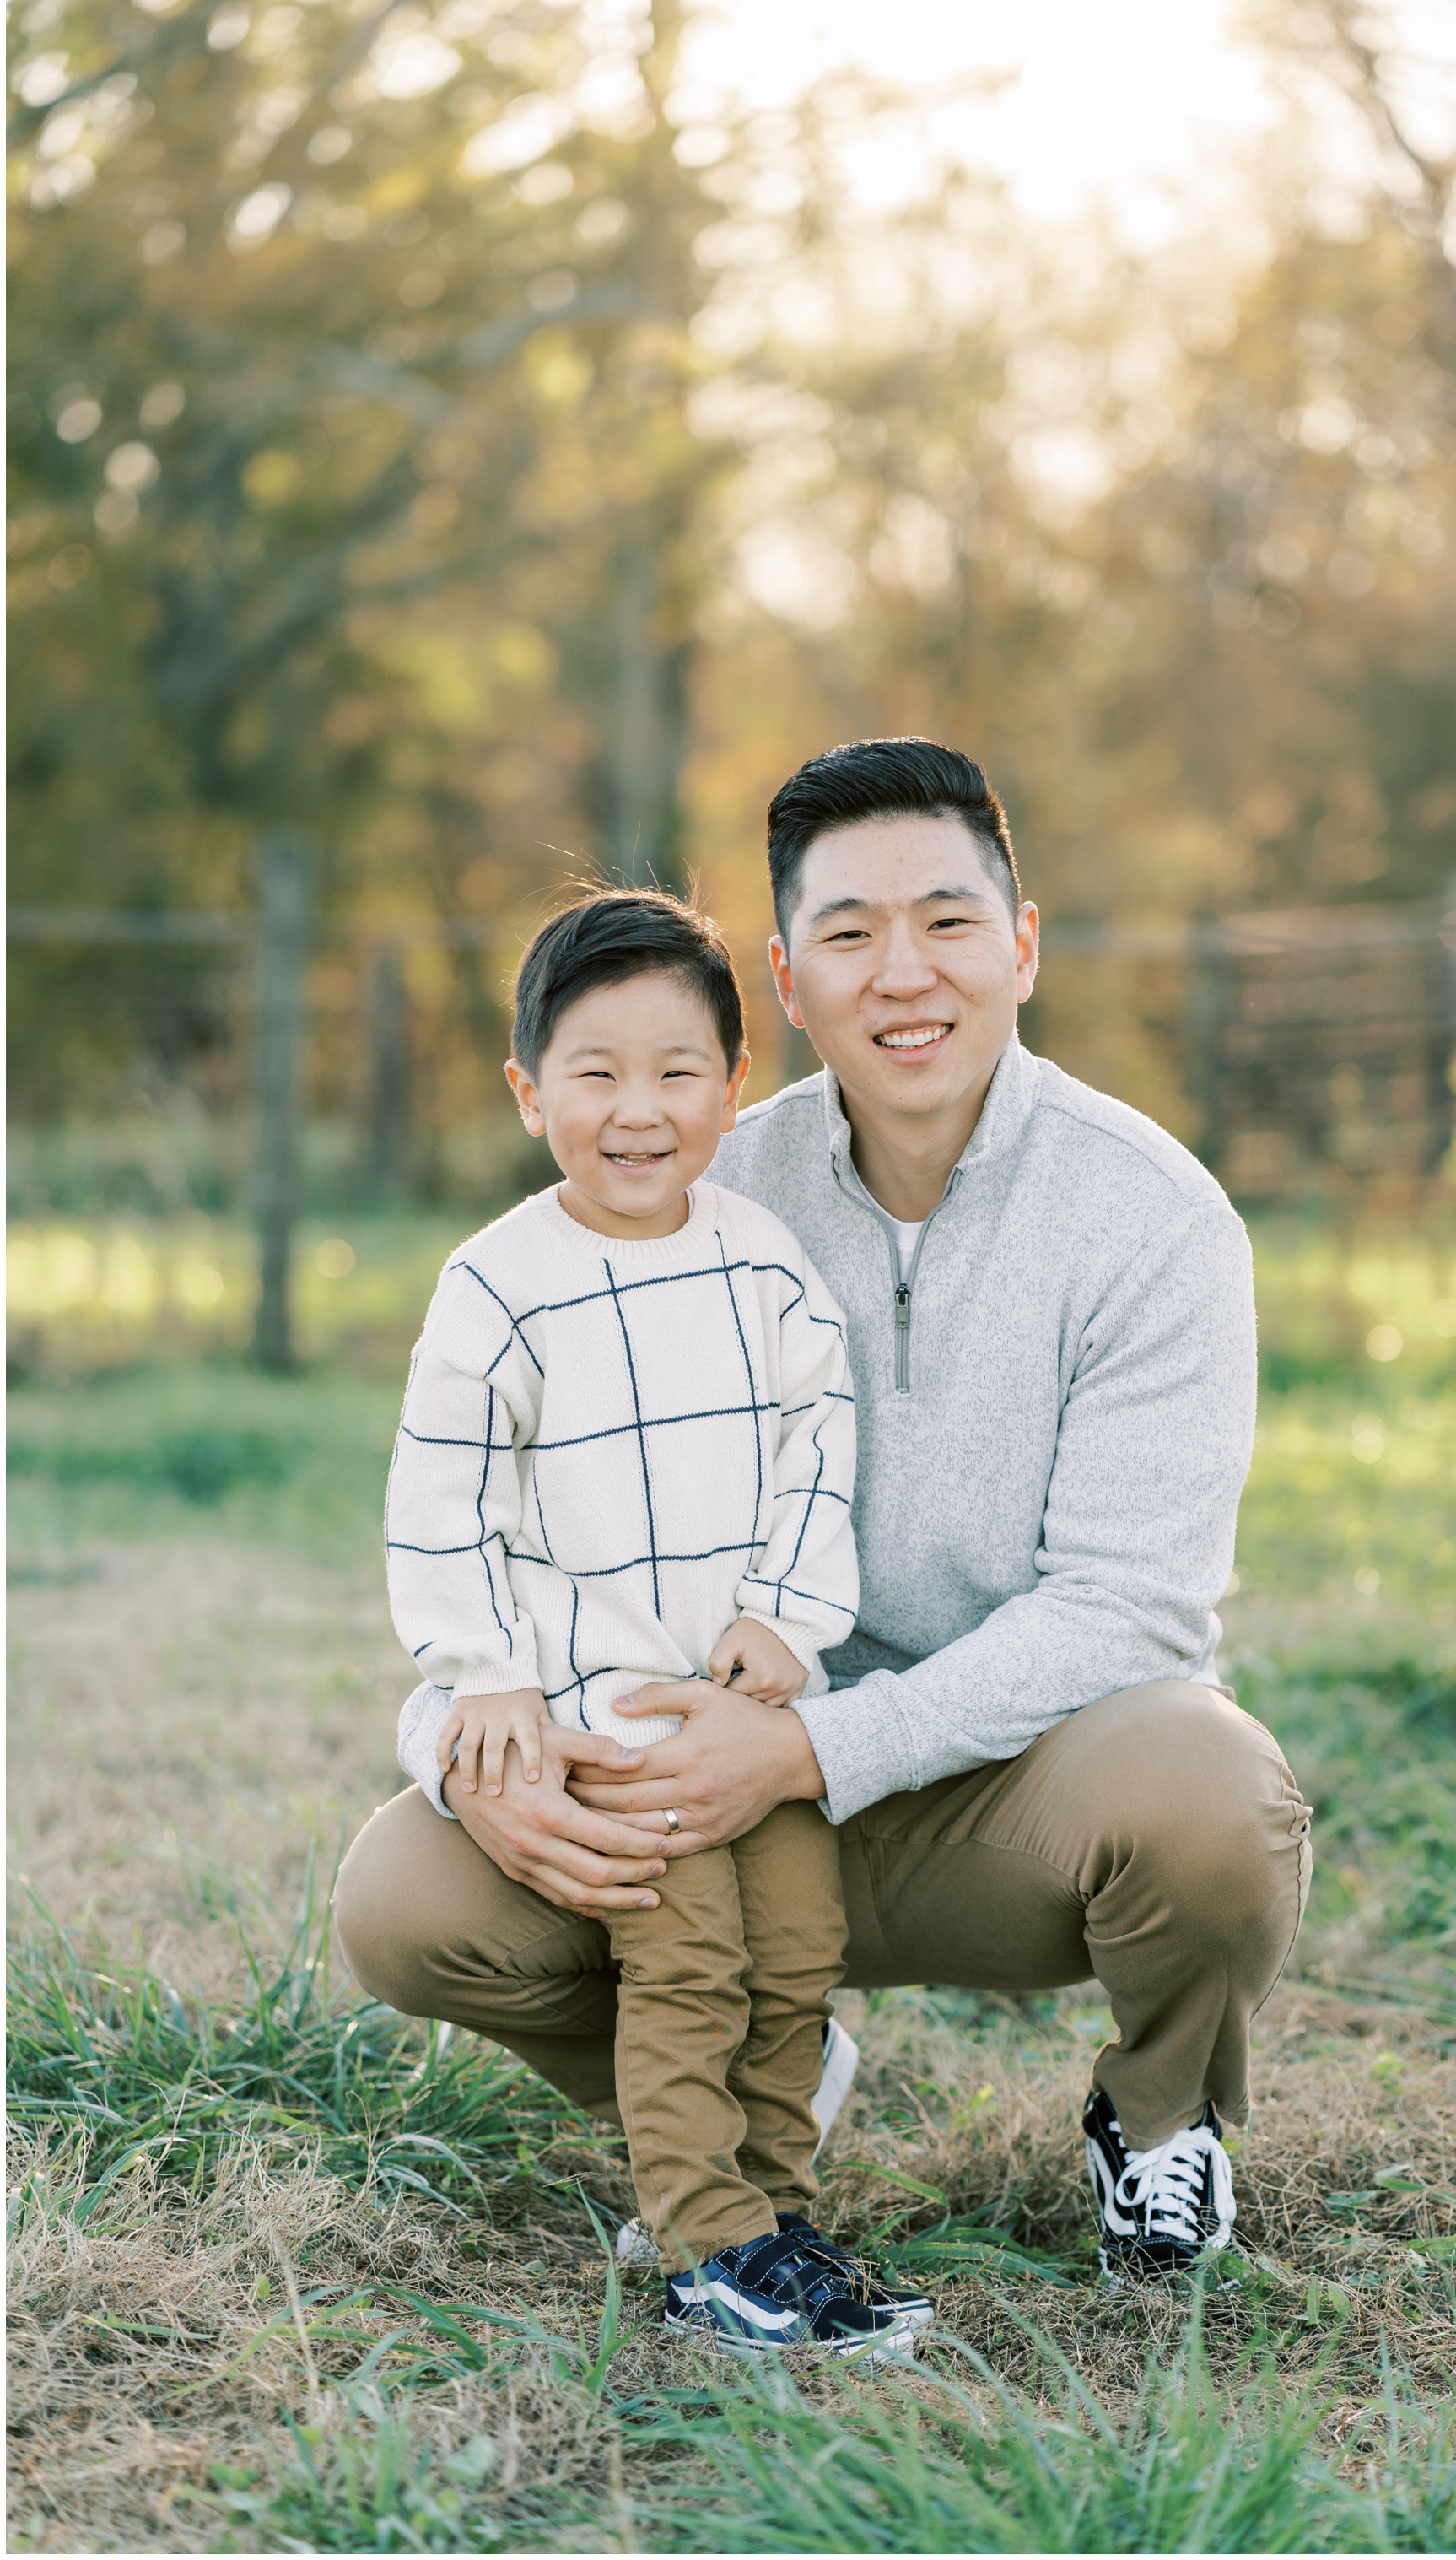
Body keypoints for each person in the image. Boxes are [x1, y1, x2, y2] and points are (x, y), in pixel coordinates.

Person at [337, 738, 1313, 2286]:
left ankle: (1158, 2119)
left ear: (1024, 943)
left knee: (1213, 1791)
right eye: (851, 933)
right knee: (407, 1891)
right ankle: (743, 2098)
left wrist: (808, 1746)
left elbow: (1134, 1607)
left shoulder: (1155, 1216)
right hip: (704, 1799)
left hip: (1008, 1792)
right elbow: (509, 1519)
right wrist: (461, 1743)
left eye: (947, 919)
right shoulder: (698, 1183)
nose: (904, 972)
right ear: (787, 982)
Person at [381, 887, 930, 2361]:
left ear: (735, 1087)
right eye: (596, 1073)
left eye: (679, 1072)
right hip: (611, 1715)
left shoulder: (760, 1260)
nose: (639, 1110)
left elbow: (824, 1439)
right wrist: (481, 1674)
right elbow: (444, 1495)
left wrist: (786, 1618)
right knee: (686, 1965)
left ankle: (782, 2213)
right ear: (527, 1090)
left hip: (747, 1706)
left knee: (796, 1949)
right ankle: (711, 2248)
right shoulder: (501, 1283)